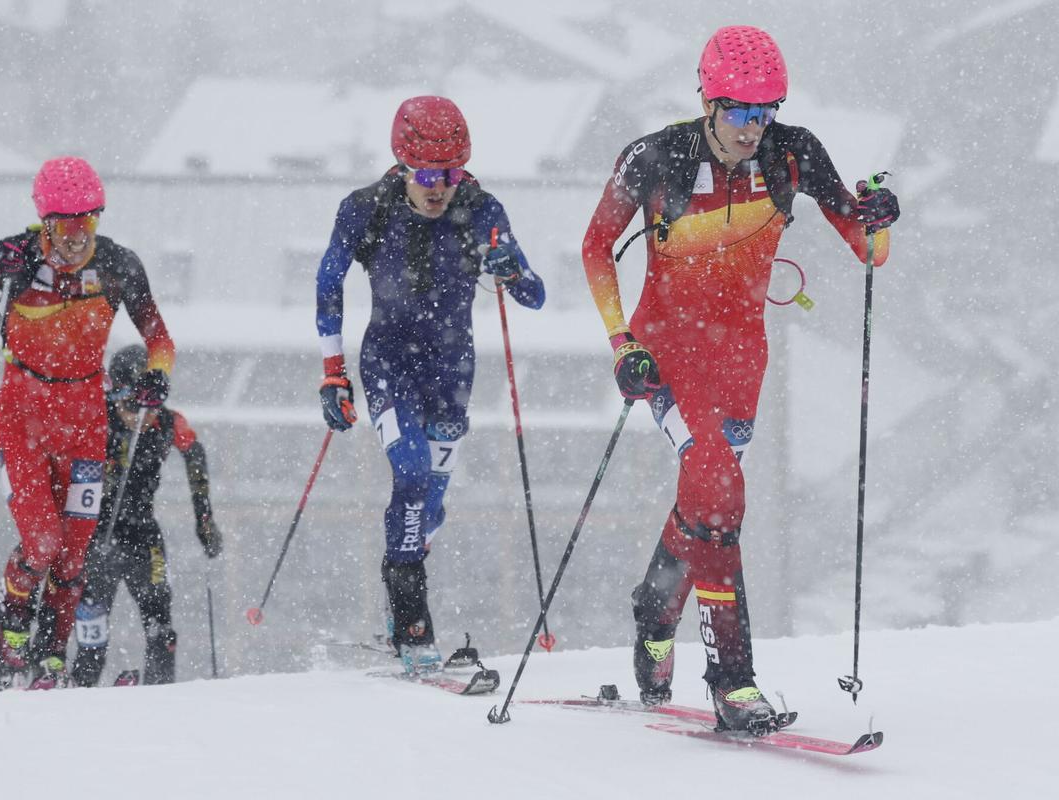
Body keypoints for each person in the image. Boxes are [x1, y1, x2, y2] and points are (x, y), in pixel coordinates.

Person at [581, 25, 900, 732]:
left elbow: (868, 249)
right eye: (739, 112)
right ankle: (733, 681)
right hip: (666, 353)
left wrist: (878, 215)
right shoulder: (655, 156)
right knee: (721, 491)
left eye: (767, 111)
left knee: (706, 503)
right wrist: (620, 342)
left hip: (740, 359)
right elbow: (596, 247)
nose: (755, 128)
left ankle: (654, 610)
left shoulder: (795, 153)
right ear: (707, 99)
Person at [315, 96, 546, 673]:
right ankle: (414, 626)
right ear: (402, 165)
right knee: (412, 475)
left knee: (431, 507)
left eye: (449, 173)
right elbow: (328, 284)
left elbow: (534, 295)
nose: (438, 187)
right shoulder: (366, 208)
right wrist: (332, 372)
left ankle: (398, 601)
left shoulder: (482, 208)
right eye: (425, 174)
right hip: (389, 362)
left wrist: (510, 268)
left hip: (452, 372)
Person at [0, 157, 175, 690]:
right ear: (45, 222)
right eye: (66, 225)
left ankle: (52, 656)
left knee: (75, 554)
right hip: (22, 419)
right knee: (41, 544)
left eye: (88, 222)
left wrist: (157, 376)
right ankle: (13, 635)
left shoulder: (118, 264)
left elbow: (160, 340)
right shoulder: (18, 257)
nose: (77, 237)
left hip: (86, 423)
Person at [70, 345, 223, 687]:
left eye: (147, 406)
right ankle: (81, 687)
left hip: (142, 534)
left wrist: (205, 520)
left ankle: (159, 691)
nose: (138, 416)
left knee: (161, 624)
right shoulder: (99, 418)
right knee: (91, 624)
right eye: (129, 405)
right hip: (98, 536)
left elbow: (195, 456)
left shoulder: (168, 422)